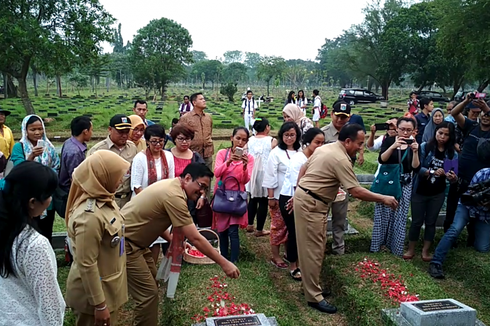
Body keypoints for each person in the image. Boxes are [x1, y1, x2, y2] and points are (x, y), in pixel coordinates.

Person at [294, 124, 398, 314]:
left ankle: (311, 288)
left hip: (309, 200)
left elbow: (304, 167)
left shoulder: (326, 147)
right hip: (312, 204)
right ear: (347, 141)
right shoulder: (340, 158)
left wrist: (299, 190)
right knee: (313, 251)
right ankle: (313, 297)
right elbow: (356, 191)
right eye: (359, 143)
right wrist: (383, 198)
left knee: (315, 247)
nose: (361, 147)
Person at [121, 163, 240, 325]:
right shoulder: (174, 195)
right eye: (201, 186)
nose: (202, 192)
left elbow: (155, 219)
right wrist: (224, 263)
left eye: (205, 188)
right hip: (126, 244)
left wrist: (173, 240)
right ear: (188, 178)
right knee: (148, 294)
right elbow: (196, 237)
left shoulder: (173, 187)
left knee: (151, 286)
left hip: (137, 243)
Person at [65, 151, 130, 326]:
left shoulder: (106, 198)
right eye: (118, 176)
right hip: (93, 298)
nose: (121, 181)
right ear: (103, 176)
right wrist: (99, 305)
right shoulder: (89, 217)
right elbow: (86, 263)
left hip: (108, 286)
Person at [0, 161, 65, 325]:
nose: (50, 200)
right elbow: (51, 308)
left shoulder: (7, 230)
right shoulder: (34, 245)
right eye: (49, 195)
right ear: (32, 202)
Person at [404, 121, 458, 261]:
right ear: (435, 132)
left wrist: (451, 176)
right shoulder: (425, 147)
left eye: (446, 135)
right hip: (420, 190)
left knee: (431, 222)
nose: (442, 137)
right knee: (416, 221)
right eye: (440, 133)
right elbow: (416, 168)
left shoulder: (452, 153)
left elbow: (453, 176)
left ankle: (425, 251)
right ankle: (411, 249)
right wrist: (432, 171)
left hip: (437, 193)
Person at [371, 117, 420, 257]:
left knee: (400, 216)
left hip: (404, 184)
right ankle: (378, 246)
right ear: (397, 129)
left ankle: (395, 248)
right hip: (388, 182)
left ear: (413, 131)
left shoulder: (414, 145)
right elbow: (382, 159)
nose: (405, 133)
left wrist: (415, 151)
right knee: (382, 215)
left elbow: (416, 167)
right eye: (402, 129)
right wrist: (393, 146)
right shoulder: (389, 140)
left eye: (408, 130)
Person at [279, 128, 324, 281]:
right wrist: (296, 200)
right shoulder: (299, 159)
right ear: (307, 142)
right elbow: (295, 184)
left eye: (322, 143)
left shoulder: (316, 157)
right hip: (291, 198)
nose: (320, 146)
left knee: (302, 232)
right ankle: (293, 265)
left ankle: (298, 260)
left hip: (304, 197)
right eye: (317, 142)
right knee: (295, 232)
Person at [429, 167, 490, 279]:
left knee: (482, 247)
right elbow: (469, 195)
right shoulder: (483, 173)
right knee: (454, 230)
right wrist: (480, 200)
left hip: (484, 216)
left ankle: (475, 229)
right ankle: (436, 262)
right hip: (467, 207)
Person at [445, 94, 490, 245]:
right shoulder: (471, 126)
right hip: (460, 178)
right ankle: (450, 240)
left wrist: (486, 108)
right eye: (483, 114)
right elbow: (454, 113)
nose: (485, 116)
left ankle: (472, 239)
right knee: (452, 209)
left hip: (480, 183)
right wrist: (466, 101)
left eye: (487, 114)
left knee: (476, 213)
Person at [11, 115, 60, 244]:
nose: (37, 132)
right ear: (25, 130)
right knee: (30, 231)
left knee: (46, 230)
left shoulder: (49, 147)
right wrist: (31, 156)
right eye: (33, 129)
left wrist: (47, 180)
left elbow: (56, 166)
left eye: (40, 129)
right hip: (29, 198)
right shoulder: (19, 147)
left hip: (47, 196)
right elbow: (19, 170)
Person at [131, 125, 175, 263]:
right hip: (143, 205)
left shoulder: (168, 156)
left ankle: (153, 271)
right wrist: (151, 203)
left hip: (162, 206)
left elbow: (171, 182)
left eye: (161, 141)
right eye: (154, 141)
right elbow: (136, 186)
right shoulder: (140, 158)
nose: (158, 145)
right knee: (145, 240)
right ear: (147, 141)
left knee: (157, 240)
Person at [263, 122, 301, 269]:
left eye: (292, 135)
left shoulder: (300, 151)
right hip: (279, 196)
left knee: (291, 227)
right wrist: (271, 197)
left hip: (296, 196)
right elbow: (270, 175)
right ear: (281, 136)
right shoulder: (276, 153)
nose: (289, 138)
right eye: (286, 135)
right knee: (278, 226)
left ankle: (289, 253)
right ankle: (275, 255)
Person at [213, 127, 254, 263]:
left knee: (233, 230)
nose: (240, 142)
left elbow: (245, 180)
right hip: (222, 195)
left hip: (237, 198)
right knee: (222, 229)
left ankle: (234, 259)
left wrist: (243, 166)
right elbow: (217, 173)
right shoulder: (222, 154)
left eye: (244, 140)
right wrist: (229, 161)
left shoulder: (249, 158)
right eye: (238, 138)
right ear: (232, 138)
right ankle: (223, 257)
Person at [320, 101, 355, 255]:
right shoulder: (323, 133)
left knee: (340, 218)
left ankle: (338, 248)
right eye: (338, 116)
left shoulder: (351, 135)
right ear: (331, 114)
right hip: (325, 183)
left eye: (344, 117)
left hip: (342, 183)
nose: (340, 120)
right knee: (321, 217)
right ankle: (319, 247)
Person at [88, 114, 138, 209]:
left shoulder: (132, 147)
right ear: (110, 129)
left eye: (127, 132)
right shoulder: (98, 150)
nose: (124, 135)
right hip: (106, 201)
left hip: (127, 200)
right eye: (120, 132)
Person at [169, 124, 206, 225]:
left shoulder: (195, 157)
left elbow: (203, 179)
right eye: (181, 139)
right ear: (174, 139)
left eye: (188, 139)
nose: (184, 142)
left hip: (190, 200)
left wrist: (202, 196)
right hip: (170, 198)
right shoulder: (167, 155)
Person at [246, 118, 277, 236]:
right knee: (263, 200)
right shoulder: (272, 141)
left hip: (252, 171)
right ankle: (259, 229)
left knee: (252, 198)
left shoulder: (250, 140)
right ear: (267, 127)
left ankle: (250, 225)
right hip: (265, 172)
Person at [58, 116, 93, 218]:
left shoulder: (69, 142)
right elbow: (75, 179)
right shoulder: (74, 152)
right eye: (91, 130)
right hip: (72, 194)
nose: (92, 133)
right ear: (85, 131)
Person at [179, 93, 214, 171]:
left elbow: (210, 132)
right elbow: (180, 135)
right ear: (194, 103)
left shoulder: (208, 117)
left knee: (207, 177)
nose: (204, 101)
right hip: (193, 154)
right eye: (201, 99)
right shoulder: (186, 118)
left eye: (204, 99)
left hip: (207, 153)